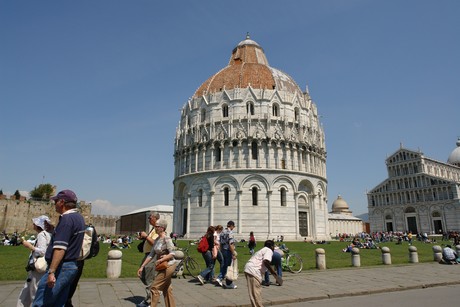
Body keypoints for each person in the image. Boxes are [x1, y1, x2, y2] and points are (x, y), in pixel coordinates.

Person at [32, 189, 86, 307]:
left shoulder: (66, 219)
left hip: (62, 267)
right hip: (72, 266)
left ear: (62, 202)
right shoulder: (79, 218)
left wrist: (52, 271)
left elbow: (60, 249)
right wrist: (54, 230)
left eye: (56, 201)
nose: (54, 204)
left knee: (41, 302)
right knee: (58, 303)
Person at [137, 219, 177, 307]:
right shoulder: (157, 239)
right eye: (155, 226)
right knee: (167, 289)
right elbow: (151, 255)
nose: (155, 228)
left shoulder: (167, 238)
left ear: (162, 228)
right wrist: (142, 267)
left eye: (157, 226)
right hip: (162, 266)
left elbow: (172, 253)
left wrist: (162, 259)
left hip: (169, 265)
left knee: (155, 287)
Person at [17, 215, 52, 307]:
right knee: (27, 291)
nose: (33, 225)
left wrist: (29, 246)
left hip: (38, 267)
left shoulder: (41, 235)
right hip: (39, 267)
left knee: (34, 292)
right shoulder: (48, 234)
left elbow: (42, 251)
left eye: (35, 223)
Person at [244, 240, 282, 307]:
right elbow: (266, 261)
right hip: (254, 271)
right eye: (273, 246)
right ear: (271, 246)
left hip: (249, 269)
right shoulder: (269, 250)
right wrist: (274, 274)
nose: (274, 248)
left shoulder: (262, 250)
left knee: (253, 294)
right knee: (256, 293)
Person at [137, 211, 160, 307]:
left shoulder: (158, 229)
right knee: (142, 274)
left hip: (152, 255)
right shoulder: (153, 229)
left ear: (155, 218)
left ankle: (150, 301)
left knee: (149, 277)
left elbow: (155, 243)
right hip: (148, 254)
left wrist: (146, 236)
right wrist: (143, 237)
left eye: (150, 218)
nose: (149, 219)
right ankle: (153, 294)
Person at [216, 221, 237, 289]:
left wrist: (221, 250)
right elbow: (231, 244)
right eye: (233, 226)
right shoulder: (230, 232)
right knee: (229, 267)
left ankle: (220, 278)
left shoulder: (222, 232)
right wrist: (233, 253)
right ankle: (228, 283)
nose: (233, 228)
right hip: (228, 251)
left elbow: (220, 242)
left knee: (224, 265)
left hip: (223, 250)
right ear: (231, 226)